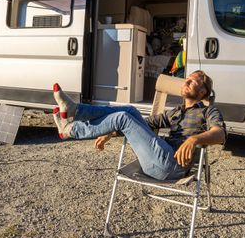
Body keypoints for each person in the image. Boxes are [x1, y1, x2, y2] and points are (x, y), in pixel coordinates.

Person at [51, 70, 226, 181]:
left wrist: (194, 140)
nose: (185, 82)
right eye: (186, 79)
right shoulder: (175, 112)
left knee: (123, 117)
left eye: (192, 81)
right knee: (131, 111)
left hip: (171, 165)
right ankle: (74, 115)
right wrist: (111, 132)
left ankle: (72, 128)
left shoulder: (208, 111)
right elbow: (143, 125)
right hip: (158, 155)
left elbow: (220, 134)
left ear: (203, 91)